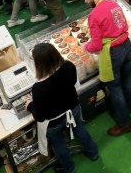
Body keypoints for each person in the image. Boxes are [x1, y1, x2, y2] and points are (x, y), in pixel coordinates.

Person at [27, 43, 99, 172]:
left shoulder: (38, 88)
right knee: (80, 129)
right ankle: (93, 152)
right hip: (73, 109)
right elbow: (72, 84)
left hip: (54, 122)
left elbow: (40, 116)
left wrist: (30, 105)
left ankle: (69, 169)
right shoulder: (69, 66)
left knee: (59, 143)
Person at [81, 0, 131, 136]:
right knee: (127, 79)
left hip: (113, 53)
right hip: (126, 45)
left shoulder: (94, 15)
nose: (86, 2)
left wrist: (86, 47)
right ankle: (128, 108)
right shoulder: (113, 3)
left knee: (115, 87)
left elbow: (96, 45)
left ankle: (125, 123)